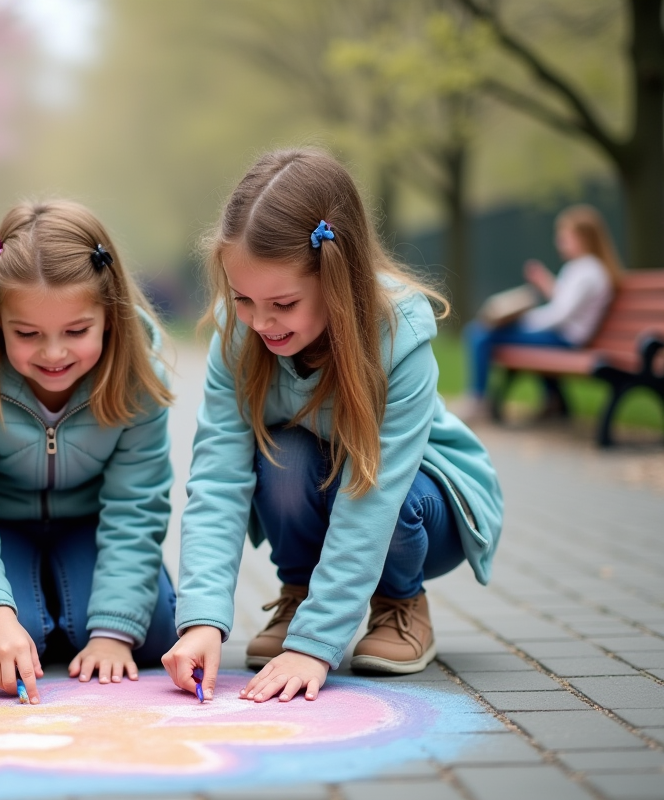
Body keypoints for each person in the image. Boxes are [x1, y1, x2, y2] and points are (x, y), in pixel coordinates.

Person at [162, 149, 503, 705]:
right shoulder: (239, 334)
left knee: (389, 493)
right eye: (243, 298)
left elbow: (375, 494)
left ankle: (400, 603)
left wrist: (316, 646)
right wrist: (201, 621)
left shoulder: (398, 334)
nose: (261, 321)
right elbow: (218, 480)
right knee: (284, 454)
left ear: (334, 276)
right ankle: (300, 594)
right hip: (325, 489)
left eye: (284, 303)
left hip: (421, 503)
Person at [0, 201, 178, 704]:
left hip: (91, 527)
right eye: (27, 334)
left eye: (77, 332)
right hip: (0, 527)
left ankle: (67, 612)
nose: (54, 353)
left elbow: (136, 510)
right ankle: (18, 608)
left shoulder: (138, 383)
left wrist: (111, 634)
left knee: (152, 632)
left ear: (110, 317)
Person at [465, 204, 623, 417]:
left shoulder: (588, 271)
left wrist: (524, 321)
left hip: (566, 339)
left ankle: (477, 399)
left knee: (480, 332)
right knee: (483, 330)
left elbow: (561, 315)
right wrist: (546, 283)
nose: (560, 241)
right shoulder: (581, 268)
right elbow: (566, 303)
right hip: (562, 335)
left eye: (565, 236)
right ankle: (555, 400)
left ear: (584, 238)